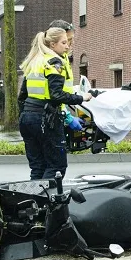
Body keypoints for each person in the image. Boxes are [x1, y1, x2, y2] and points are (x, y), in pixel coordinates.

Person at [17, 27, 88, 180]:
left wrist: (26, 115)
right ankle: (47, 202)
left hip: (27, 118)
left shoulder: (35, 62)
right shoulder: (54, 63)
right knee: (57, 167)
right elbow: (56, 95)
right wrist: (82, 98)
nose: (67, 46)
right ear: (52, 45)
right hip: (46, 120)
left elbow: (22, 96)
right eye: (64, 42)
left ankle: (33, 201)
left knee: (38, 167)